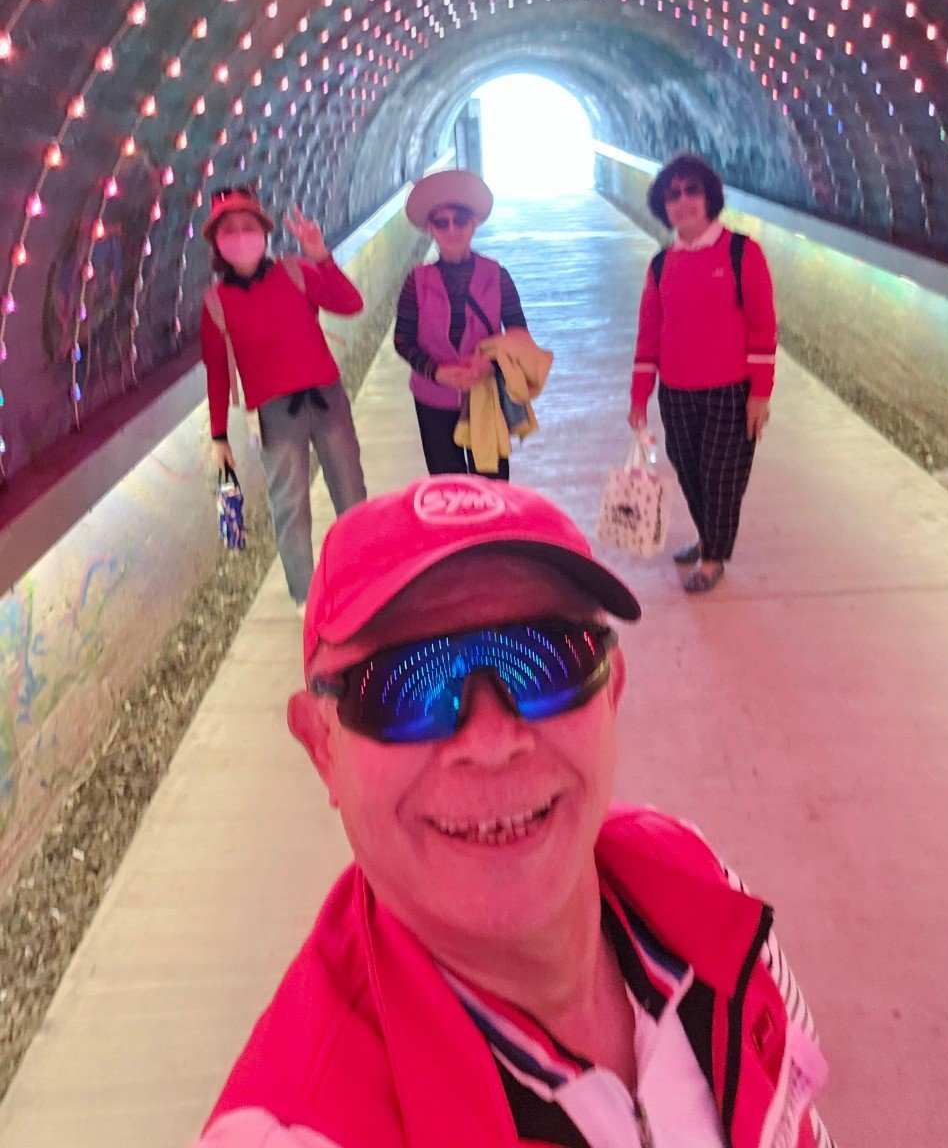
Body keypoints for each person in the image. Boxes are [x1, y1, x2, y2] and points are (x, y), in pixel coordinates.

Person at [196, 475, 833, 1148]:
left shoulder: (702, 890)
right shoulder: (292, 1131)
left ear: (611, 691)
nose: (492, 742)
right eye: (407, 685)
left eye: (545, 661)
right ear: (322, 747)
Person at [200, 185, 367, 608]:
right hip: (274, 415)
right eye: (230, 230)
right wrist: (218, 435)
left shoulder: (296, 272)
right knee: (290, 508)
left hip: (327, 400)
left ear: (264, 232)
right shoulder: (216, 304)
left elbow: (351, 304)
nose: (241, 236)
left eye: (248, 226)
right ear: (217, 243)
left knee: (351, 492)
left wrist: (321, 256)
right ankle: (307, 602)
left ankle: (363, 580)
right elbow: (217, 373)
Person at [627, 154, 777, 594]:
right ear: (664, 206)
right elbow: (649, 334)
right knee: (690, 472)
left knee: (720, 477)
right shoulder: (661, 264)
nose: (683, 201)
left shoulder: (741, 252)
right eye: (673, 194)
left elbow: (763, 327)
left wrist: (760, 394)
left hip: (730, 392)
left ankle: (713, 558)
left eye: (692, 190)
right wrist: (639, 397)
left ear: (710, 196)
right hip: (676, 392)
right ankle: (707, 537)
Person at [395, 169, 527, 481]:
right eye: (442, 222)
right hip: (433, 400)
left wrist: (490, 363)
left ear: (474, 224)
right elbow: (403, 339)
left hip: (485, 396)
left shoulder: (497, 275)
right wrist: (437, 372)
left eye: (460, 220)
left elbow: (518, 333)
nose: (452, 229)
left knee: (491, 485)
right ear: (431, 228)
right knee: (448, 487)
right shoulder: (417, 281)